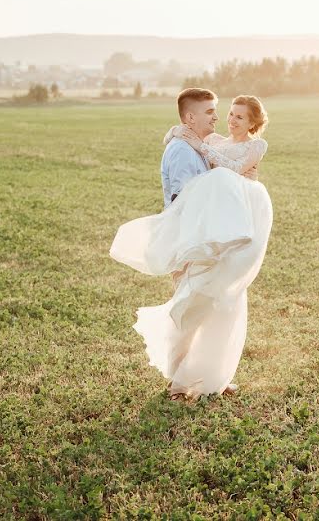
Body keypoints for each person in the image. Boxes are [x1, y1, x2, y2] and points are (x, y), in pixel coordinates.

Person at [109, 92, 273, 401]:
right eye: (226, 113)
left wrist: (191, 138)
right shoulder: (201, 146)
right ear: (191, 118)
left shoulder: (243, 145)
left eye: (238, 115)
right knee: (190, 308)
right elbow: (186, 196)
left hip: (229, 239)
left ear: (253, 122)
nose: (226, 118)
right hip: (198, 240)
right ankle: (179, 383)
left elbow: (228, 169)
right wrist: (178, 134)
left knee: (224, 307)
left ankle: (214, 377)